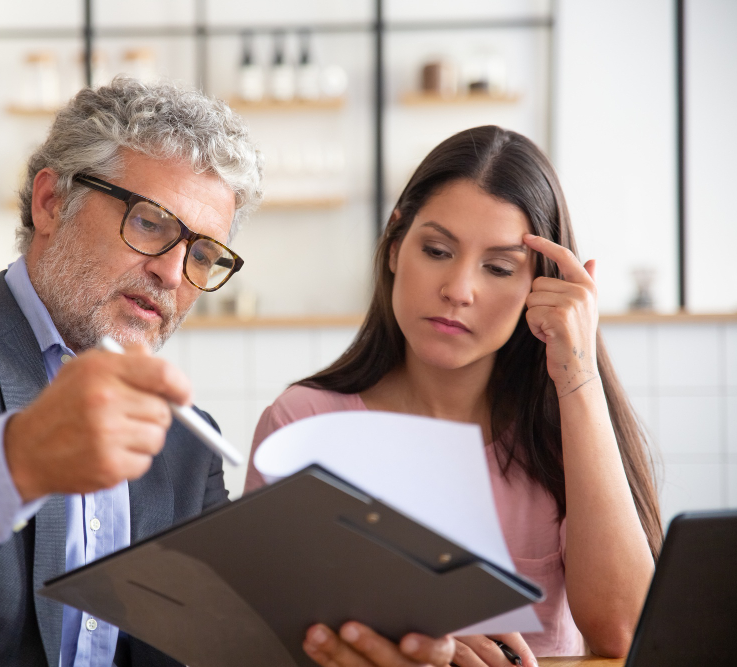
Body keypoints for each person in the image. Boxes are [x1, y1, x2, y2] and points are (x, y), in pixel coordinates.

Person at [0, 78, 454, 667]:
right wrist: (16, 461)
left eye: (203, 254)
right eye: (149, 223)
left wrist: (353, 642)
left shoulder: (184, 444)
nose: (173, 273)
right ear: (50, 201)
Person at [246, 126, 662, 666]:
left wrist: (578, 377)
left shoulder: (561, 429)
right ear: (396, 245)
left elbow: (627, 638)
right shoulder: (300, 423)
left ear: (540, 287)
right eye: (437, 250)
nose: (459, 289)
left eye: (499, 268)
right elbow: (255, 646)